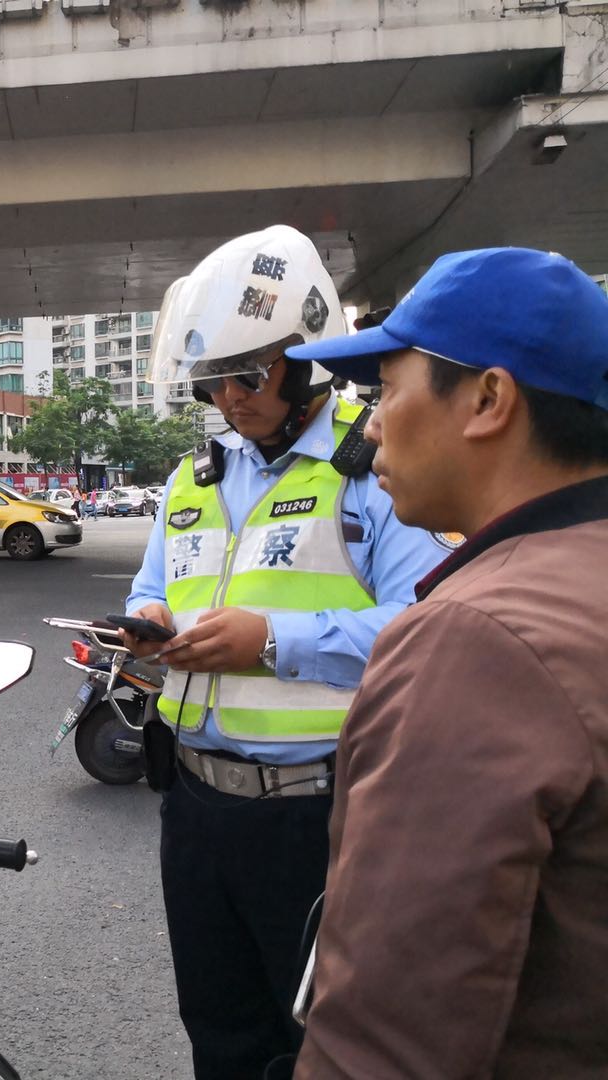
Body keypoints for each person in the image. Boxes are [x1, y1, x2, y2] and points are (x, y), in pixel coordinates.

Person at [119, 225, 445, 1080]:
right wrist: (148, 621)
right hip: (194, 803)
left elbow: (428, 629)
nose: (229, 399)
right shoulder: (194, 478)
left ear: (305, 355)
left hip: (316, 814)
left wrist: (273, 642)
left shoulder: (374, 467)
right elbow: (148, 588)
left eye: (247, 373)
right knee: (218, 1030)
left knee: (324, 1040)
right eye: (211, 382)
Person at [282, 248, 608, 1078]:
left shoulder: (475, 638)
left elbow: (390, 1037)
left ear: (488, 399)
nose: (372, 426)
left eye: (387, 389)